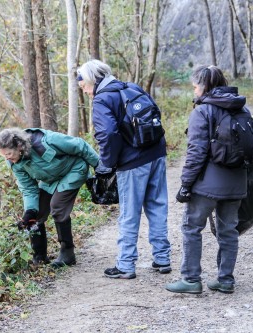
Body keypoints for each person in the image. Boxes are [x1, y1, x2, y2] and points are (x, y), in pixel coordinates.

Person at [77, 59, 171, 279]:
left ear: (92, 80)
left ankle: (126, 265)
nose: (86, 92)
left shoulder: (102, 99)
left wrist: (107, 164)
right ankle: (162, 258)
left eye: (84, 87)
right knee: (157, 206)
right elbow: (155, 112)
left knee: (129, 212)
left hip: (132, 162)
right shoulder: (131, 87)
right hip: (156, 153)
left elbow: (107, 135)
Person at [165, 66, 247, 294]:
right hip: (237, 182)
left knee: (191, 227)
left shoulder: (203, 112)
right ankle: (225, 279)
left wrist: (185, 184)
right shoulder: (242, 108)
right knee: (229, 231)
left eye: (195, 86)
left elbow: (196, 153)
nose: (194, 90)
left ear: (204, 86)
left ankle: (191, 279)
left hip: (207, 185)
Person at [0, 127, 99, 267]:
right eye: (3, 155)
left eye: (8, 153)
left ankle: (67, 253)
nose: (7, 158)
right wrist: (30, 211)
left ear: (19, 146)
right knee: (36, 214)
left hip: (74, 169)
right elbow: (28, 188)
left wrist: (99, 167)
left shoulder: (45, 141)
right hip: (51, 180)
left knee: (57, 207)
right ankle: (40, 257)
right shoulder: (15, 163)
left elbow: (79, 145)